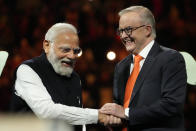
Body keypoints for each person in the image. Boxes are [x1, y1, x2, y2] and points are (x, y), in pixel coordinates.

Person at [10, 23, 121, 130]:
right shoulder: (27, 70)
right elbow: (47, 112)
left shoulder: (75, 78)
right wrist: (98, 115)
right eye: (65, 49)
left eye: (76, 51)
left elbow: (77, 120)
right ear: (47, 45)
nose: (72, 56)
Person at [100, 6, 187, 131]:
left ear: (147, 30)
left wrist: (126, 113)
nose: (123, 36)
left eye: (128, 30)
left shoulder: (170, 58)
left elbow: (172, 105)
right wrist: (112, 118)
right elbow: (119, 108)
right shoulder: (121, 66)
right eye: (121, 31)